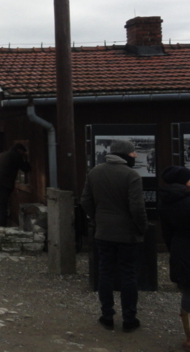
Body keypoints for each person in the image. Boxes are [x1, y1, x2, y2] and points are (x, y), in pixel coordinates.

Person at [81, 139, 147, 332]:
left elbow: (85, 200)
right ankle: (129, 318)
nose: (135, 156)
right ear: (125, 154)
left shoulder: (95, 172)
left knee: (105, 273)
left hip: (103, 232)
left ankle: (107, 316)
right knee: (128, 274)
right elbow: (137, 207)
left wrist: (97, 218)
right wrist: (142, 227)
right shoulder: (132, 175)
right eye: (133, 153)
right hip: (127, 234)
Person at [158, 165, 190, 351]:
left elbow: (167, 234)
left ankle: (189, 337)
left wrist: (175, 249)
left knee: (187, 290)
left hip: (179, 248)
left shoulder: (167, 201)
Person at [0, 143, 31, 227]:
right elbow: (26, 169)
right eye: (23, 152)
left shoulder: (2, 154)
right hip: (3, 183)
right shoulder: (16, 156)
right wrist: (26, 159)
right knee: (2, 205)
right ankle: (2, 227)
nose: (23, 153)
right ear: (19, 150)